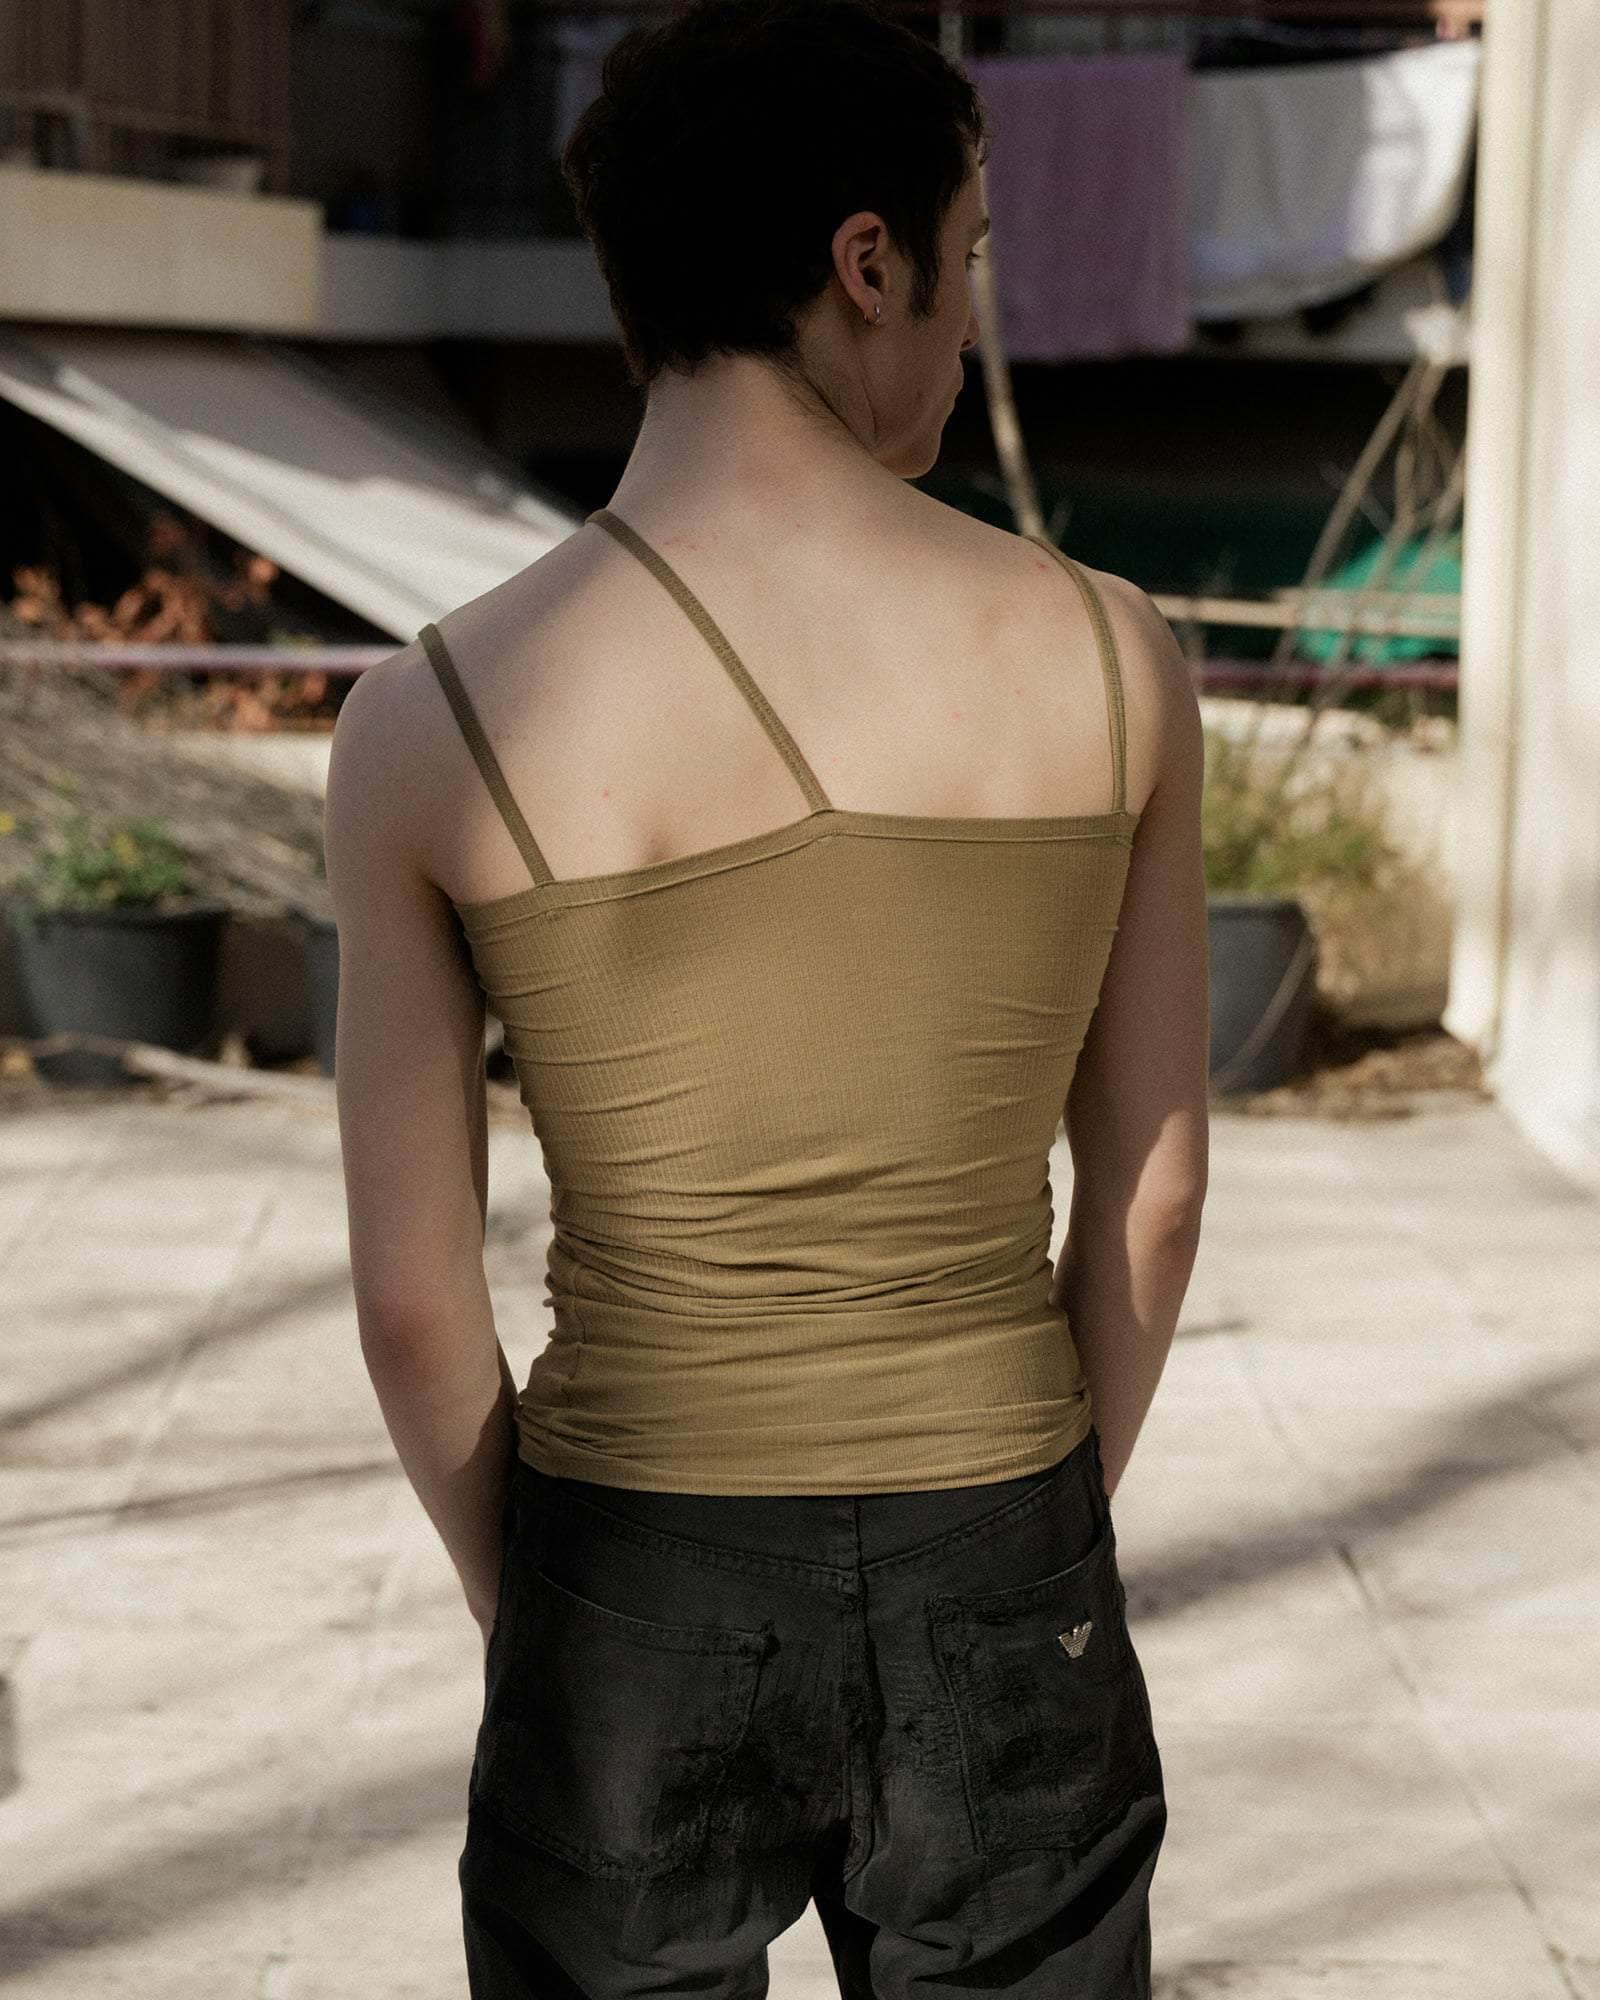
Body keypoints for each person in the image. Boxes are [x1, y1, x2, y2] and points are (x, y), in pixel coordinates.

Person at [323, 0, 1209, 1991]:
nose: (968, 320)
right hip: (999, 1517)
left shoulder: (428, 717)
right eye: (970, 255)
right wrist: (1023, 1537)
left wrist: (550, 1616)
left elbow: (412, 1305)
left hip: (631, 1551)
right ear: (864, 264)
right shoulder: (1109, 657)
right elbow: (1151, 1199)